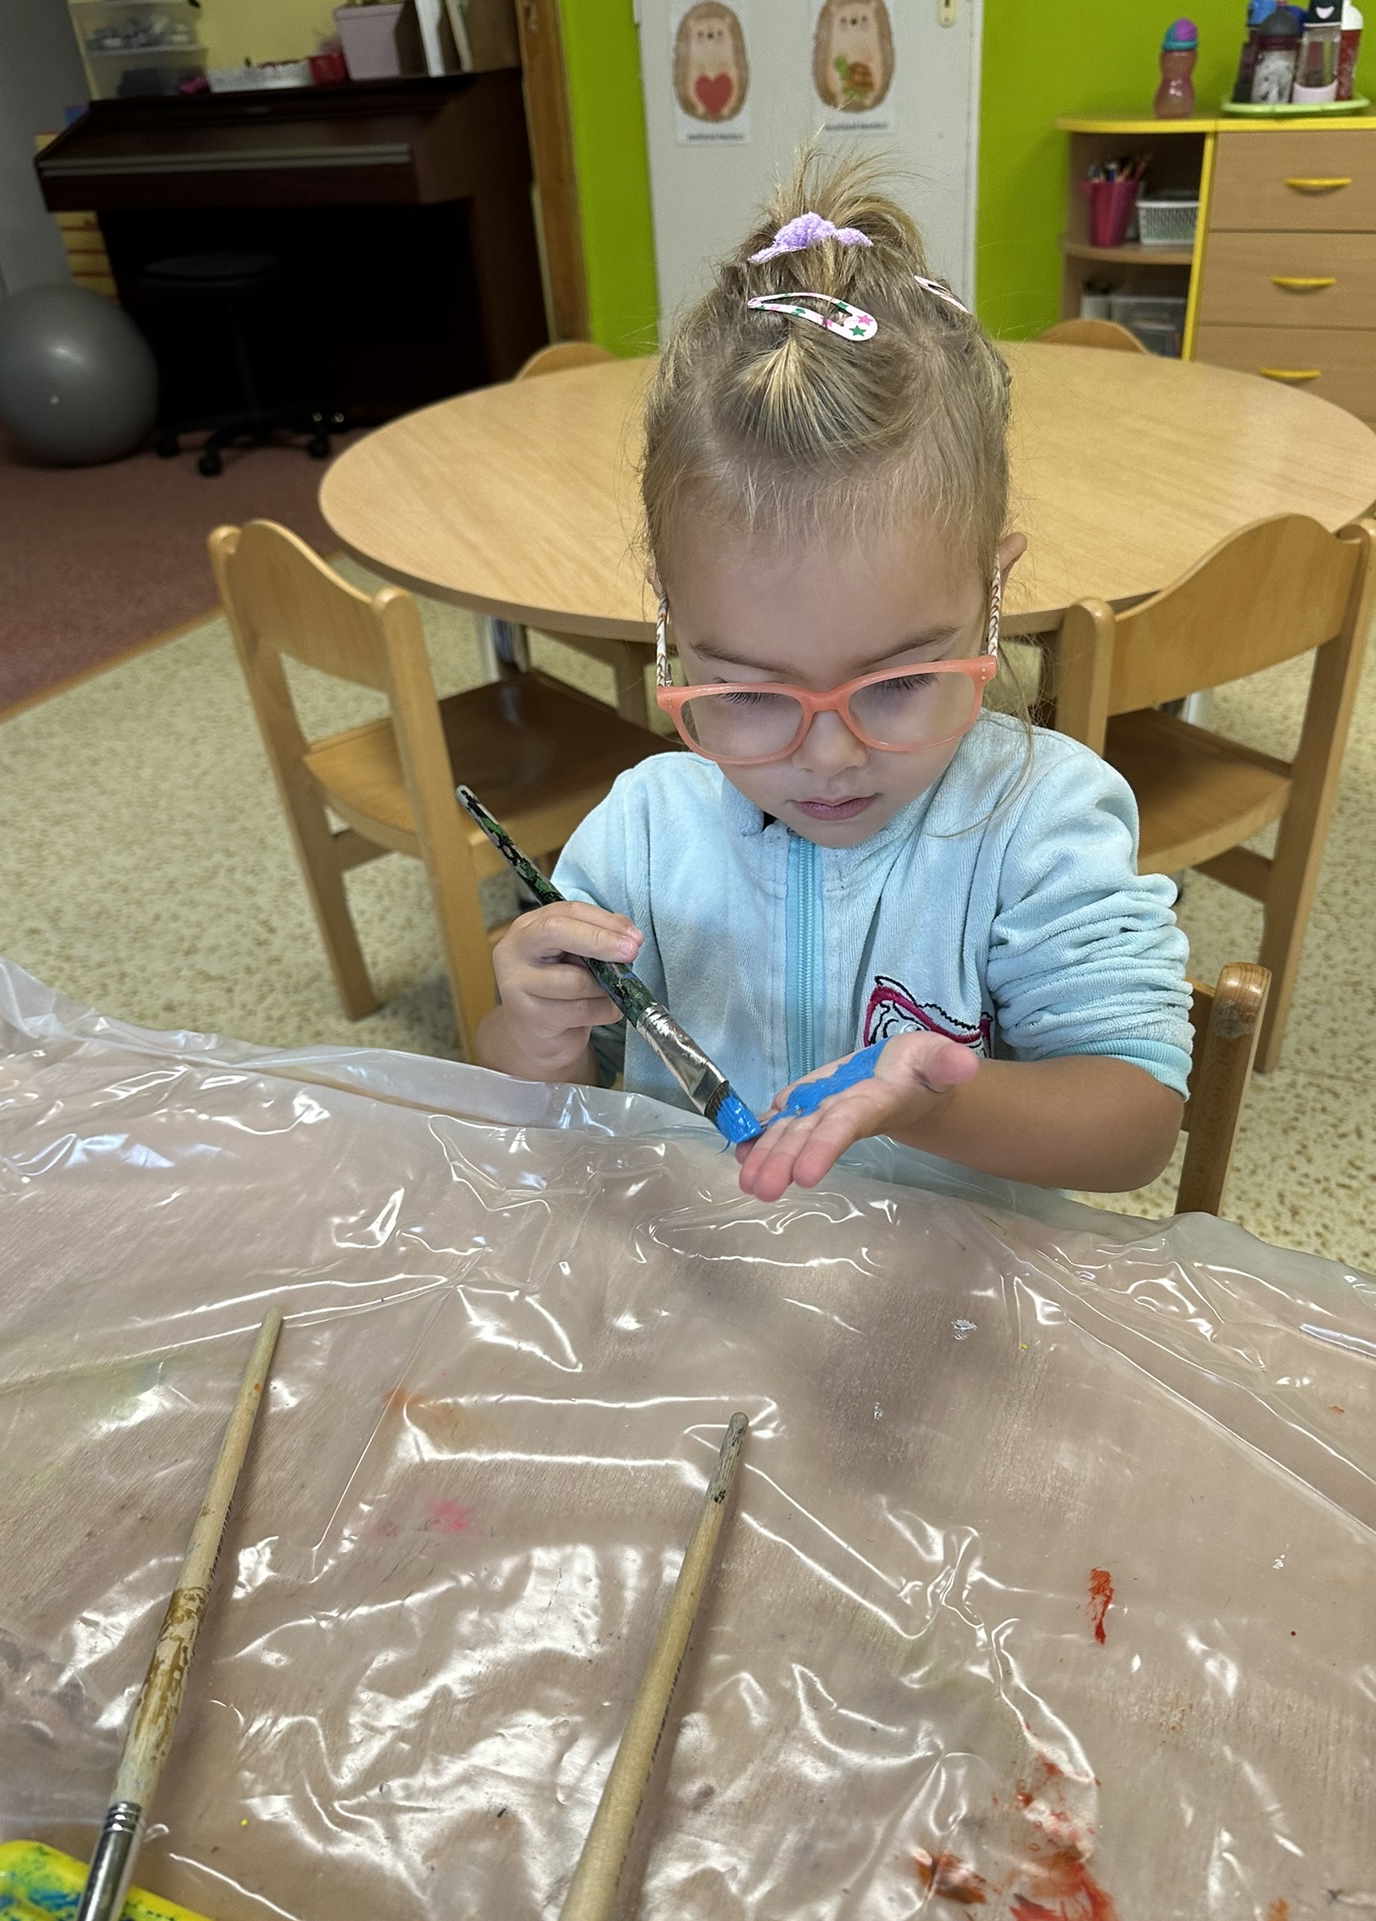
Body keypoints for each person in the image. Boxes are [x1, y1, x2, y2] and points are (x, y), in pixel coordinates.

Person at [477, 158, 1192, 1205]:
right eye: (750, 693)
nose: (829, 756)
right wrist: (532, 1032)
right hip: (708, 1270)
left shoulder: (1038, 823)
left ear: (993, 594)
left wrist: (943, 1106)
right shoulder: (641, 835)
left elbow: (1136, 1127)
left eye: (899, 681)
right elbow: (545, 1106)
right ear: (671, 626)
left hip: (955, 1279)